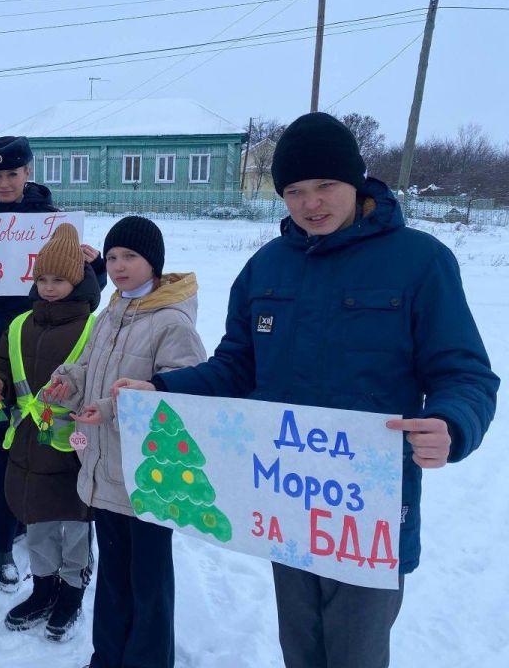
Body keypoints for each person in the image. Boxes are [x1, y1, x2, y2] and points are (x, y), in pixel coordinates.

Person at [112, 112, 500, 668]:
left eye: (326, 186)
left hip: (369, 505)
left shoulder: (420, 261)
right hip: (286, 494)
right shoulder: (267, 267)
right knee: (301, 645)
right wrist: (159, 389)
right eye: (294, 190)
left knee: (355, 652)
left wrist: (453, 423)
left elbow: (465, 373)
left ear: (357, 182)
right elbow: (235, 368)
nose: (310, 203)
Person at [46, 216, 208, 668]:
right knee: (114, 579)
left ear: (153, 262)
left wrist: (115, 408)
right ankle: (107, 658)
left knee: (149, 585)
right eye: (112, 256)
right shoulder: (110, 312)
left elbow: (183, 395)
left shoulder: (172, 322)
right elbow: (91, 369)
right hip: (105, 472)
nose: (118, 266)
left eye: (130, 257)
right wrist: (68, 382)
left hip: (149, 480)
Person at [0, 135, 106, 590]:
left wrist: (95, 266)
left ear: (28, 172)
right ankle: (1, 539)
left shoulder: (53, 224)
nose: (3, 182)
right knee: (6, 452)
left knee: (61, 453)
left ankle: (49, 531)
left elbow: (83, 291)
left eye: (12, 173)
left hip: (49, 357)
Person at [0, 224, 99, 636]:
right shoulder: (17, 325)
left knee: (74, 525)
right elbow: (3, 373)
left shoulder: (94, 328)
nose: (49, 288)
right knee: (37, 522)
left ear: (78, 279)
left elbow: (97, 385)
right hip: (27, 443)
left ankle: (72, 593)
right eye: (43, 279)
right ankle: (44, 587)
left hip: (72, 449)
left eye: (60, 280)